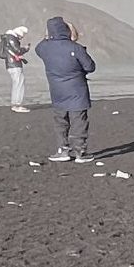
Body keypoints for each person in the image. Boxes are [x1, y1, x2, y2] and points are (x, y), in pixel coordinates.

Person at [35, 16, 96, 163]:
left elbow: (39, 46)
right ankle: (80, 152)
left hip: (57, 92)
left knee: (61, 122)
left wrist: (48, 35)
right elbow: (90, 67)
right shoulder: (75, 48)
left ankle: (62, 151)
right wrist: (72, 31)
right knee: (79, 122)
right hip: (77, 91)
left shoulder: (44, 48)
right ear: (66, 30)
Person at [0, 25, 31, 112]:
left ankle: (15, 104)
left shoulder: (6, 39)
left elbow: (3, 54)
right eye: (21, 36)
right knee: (19, 83)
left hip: (10, 64)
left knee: (17, 82)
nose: (21, 38)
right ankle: (17, 104)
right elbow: (17, 50)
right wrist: (25, 49)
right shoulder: (11, 38)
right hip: (14, 64)